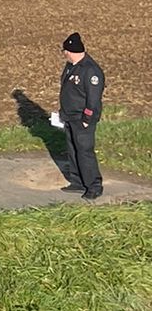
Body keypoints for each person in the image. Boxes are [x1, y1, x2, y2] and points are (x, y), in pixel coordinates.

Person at [57, 33, 106, 201]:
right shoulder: (72, 66)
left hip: (81, 119)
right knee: (73, 150)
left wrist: (87, 119)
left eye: (65, 51)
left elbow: (93, 99)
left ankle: (94, 186)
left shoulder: (91, 71)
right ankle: (77, 181)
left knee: (85, 152)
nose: (64, 54)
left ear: (71, 51)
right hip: (70, 116)